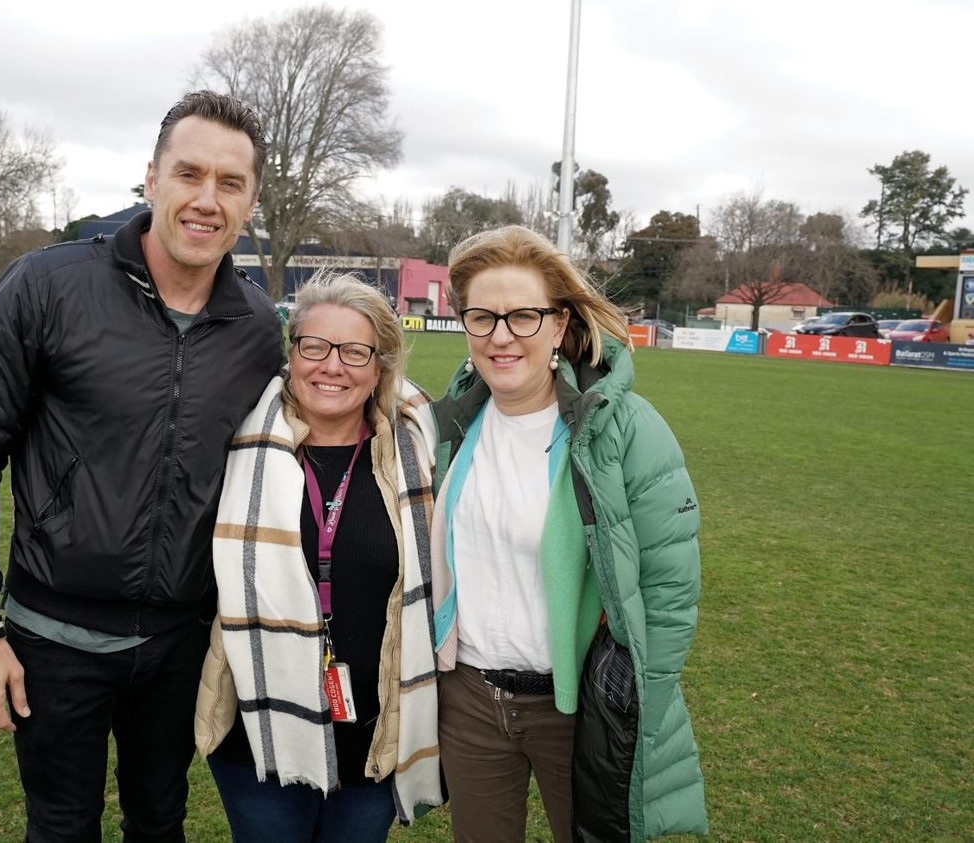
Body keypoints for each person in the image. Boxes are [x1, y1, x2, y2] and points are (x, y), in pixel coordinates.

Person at [0, 90, 285, 842]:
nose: (206, 200)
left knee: (159, 820)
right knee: (62, 825)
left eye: (230, 183)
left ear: (251, 200)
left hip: (181, 641)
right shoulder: (47, 286)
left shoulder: (257, 329)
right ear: (150, 178)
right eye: (189, 174)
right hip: (51, 636)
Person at [429, 225, 706, 842]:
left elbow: (669, 591)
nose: (501, 336)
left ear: (559, 326)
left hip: (578, 707)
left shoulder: (626, 427)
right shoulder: (446, 426)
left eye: (523, 316)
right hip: (470, 701)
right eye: (482, 317)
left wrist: (633, 705)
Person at [194, 272, 443, 842]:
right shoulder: (232, 443)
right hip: (260, 730)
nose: (332, 366)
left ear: (379, 366)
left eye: (355, 352)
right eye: (315, 346)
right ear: (293, 351)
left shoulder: (420, 452)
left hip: (375, 732)